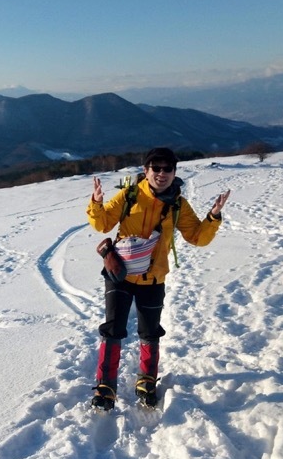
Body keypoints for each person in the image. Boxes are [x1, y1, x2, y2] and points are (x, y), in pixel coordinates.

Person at [86, 147, 230, 410]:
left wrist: (214, 217)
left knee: (150, 331)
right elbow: (102, 224)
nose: (161, 174)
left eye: (167, 169)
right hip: (120, 274)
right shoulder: (129, 195)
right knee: (113, 329)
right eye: (156, 168)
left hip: (153, 278)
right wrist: (96, 204)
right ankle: (106, 385)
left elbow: (197, 237)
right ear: (146, 171)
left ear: (174, 172)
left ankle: (147, 380)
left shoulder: (178, 204)